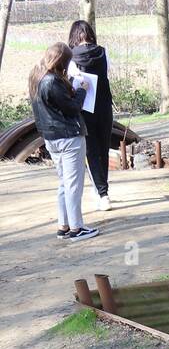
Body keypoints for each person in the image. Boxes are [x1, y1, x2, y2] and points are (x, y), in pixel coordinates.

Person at [28, 43, 99, 243]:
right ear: (62, 61)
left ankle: (64, 225)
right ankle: (76, 228)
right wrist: (82, 90)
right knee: (73, 184)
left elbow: (53, 105)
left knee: (63, 183)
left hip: (51, 138)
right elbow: (72, 108)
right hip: (68, 137)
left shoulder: (36, 77)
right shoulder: (52, 81)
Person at [68, 19, 114, 212]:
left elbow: (70, 84)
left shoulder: (71, 58)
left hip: (85, 110)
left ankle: (102, 193)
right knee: (104, 149)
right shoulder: (103, 52)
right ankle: (103, 191)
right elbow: (108, 72)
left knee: (91, 151)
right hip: (104, 107)